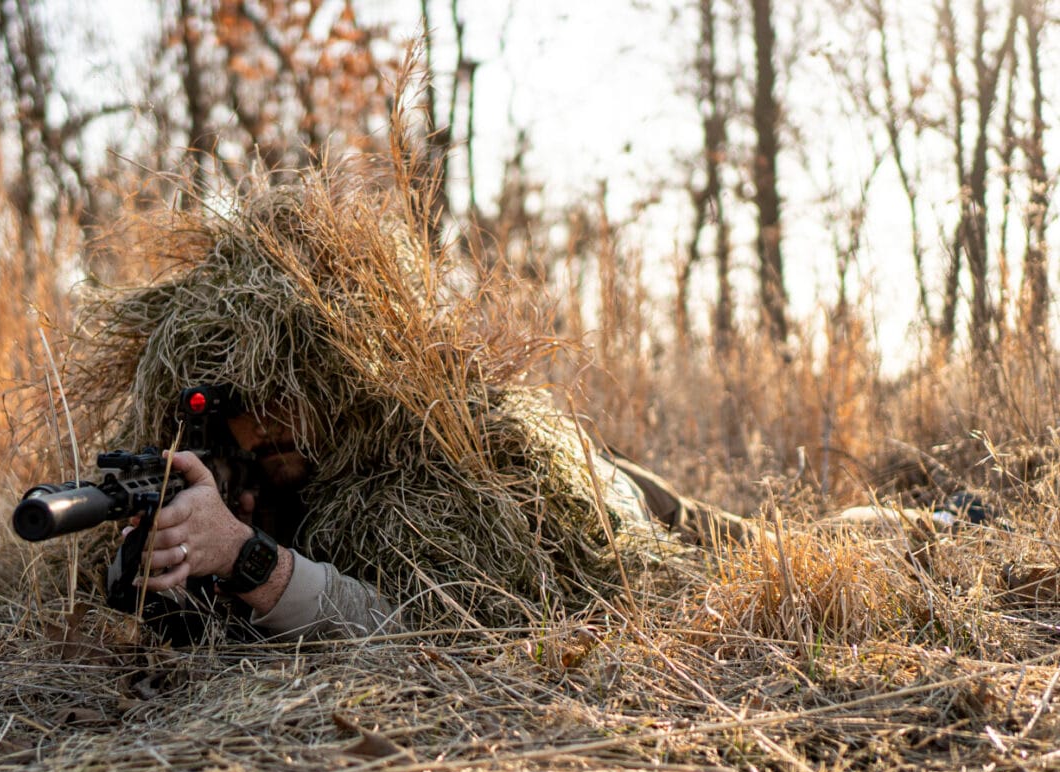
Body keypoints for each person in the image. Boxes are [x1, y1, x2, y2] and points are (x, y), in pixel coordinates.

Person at [77, 164, 756, 645]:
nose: (269, 419)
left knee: (712, 533)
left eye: (294, 389)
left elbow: (429, 622)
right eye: (245, 401)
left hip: (590, 488)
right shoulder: (240, 471)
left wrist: (247, 557)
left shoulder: (408, 459)